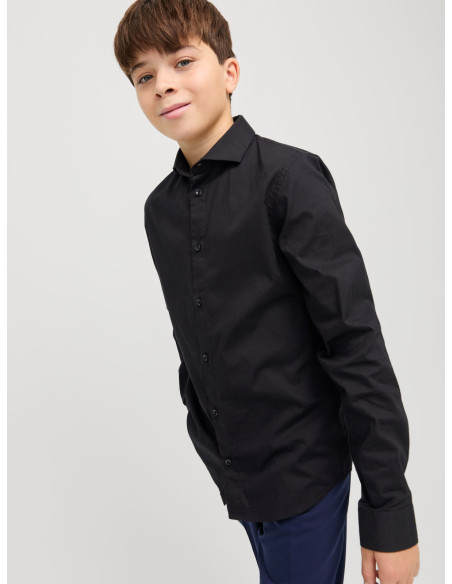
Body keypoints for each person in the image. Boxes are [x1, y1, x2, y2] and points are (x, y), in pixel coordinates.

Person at [113, 1, 421, 582]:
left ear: (230, 72)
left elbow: (355, 344)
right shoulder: (160, 211)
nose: (163, 84)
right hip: (236, 474)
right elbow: (195, 340)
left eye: (182, 61)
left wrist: (389, 515)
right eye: (143, 76)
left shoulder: (289, 179)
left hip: (306, 472)